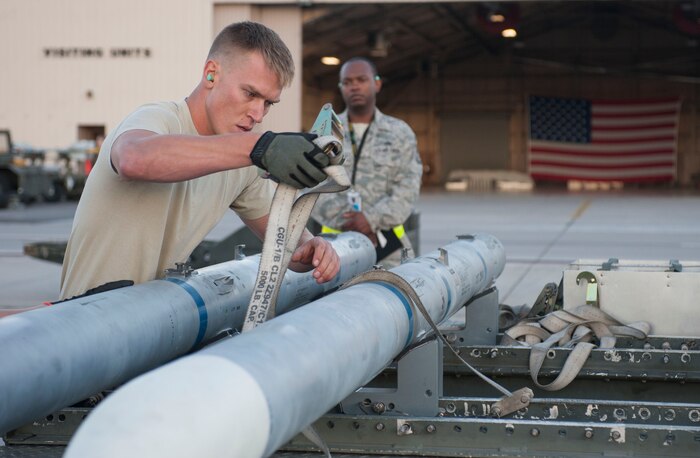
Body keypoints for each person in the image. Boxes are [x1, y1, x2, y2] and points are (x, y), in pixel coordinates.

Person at [60, 21, 339, 300]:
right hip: (85, 322)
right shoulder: (160, 118)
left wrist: (314, 249)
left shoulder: (244, 165)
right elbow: (134, 159)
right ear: (211, 74)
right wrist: (259, 146)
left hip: (147, 324)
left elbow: (289, 248)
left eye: (268, 103)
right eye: (250, 93)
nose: (258, 114)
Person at [311, 57, 422, 267]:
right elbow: (311, 184)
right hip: (334, 248)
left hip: (389, 248)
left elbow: (408, 187)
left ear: (377, 83)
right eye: (347, 82)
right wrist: (348, 222)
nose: (354, 86)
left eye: (361, 79)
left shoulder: (400, 132)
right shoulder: (324, 132)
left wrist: (370, 219)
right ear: (341, 87)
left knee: (396, 296)